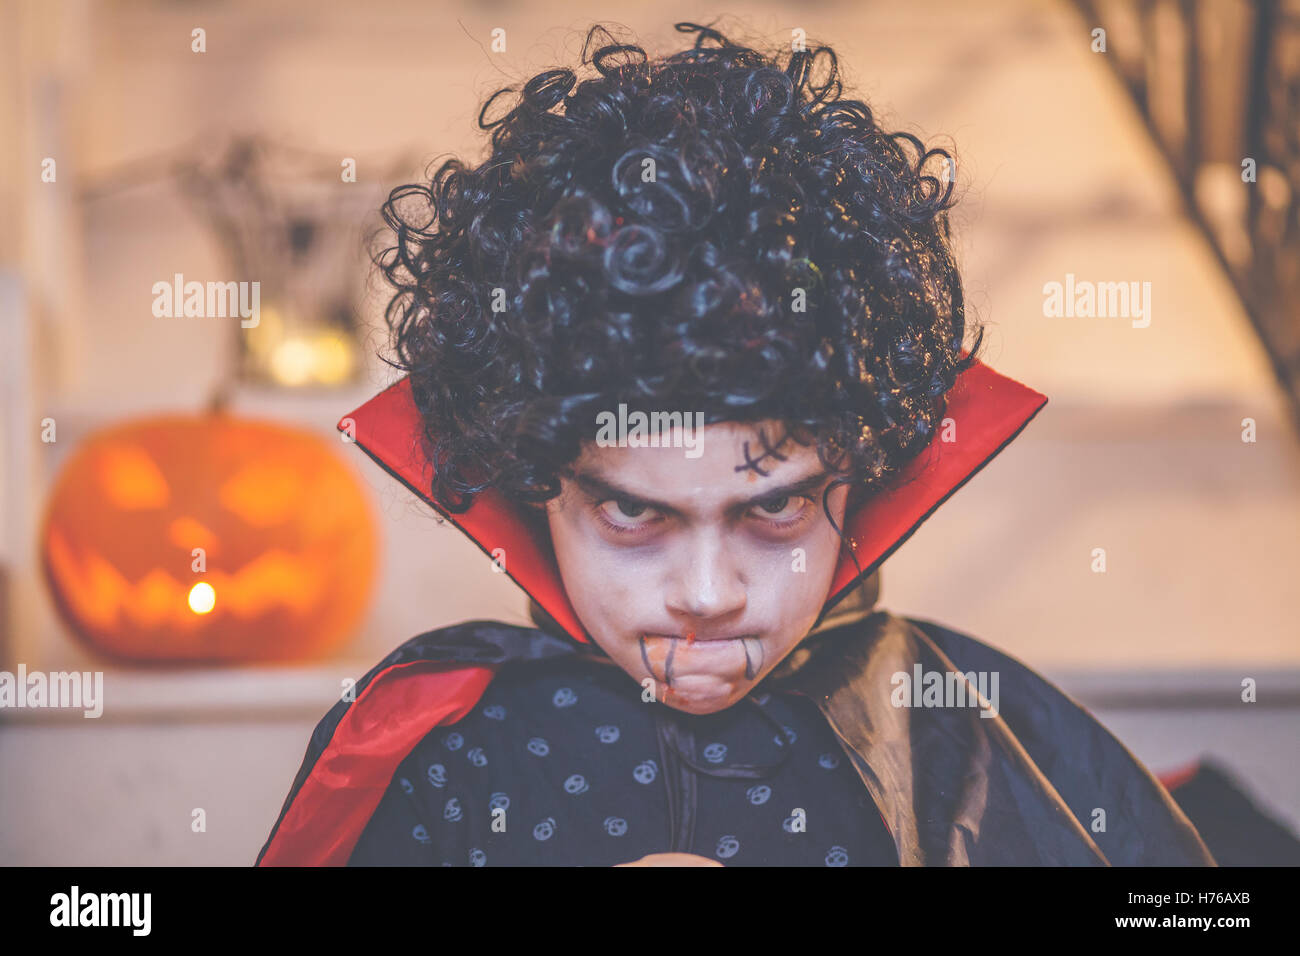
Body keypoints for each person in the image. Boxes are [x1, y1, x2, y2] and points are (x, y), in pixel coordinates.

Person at [257, 22, 1214, 866]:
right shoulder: (444, 752)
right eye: (632, 510)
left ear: (860, 468)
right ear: (531, 477)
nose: (709, 595)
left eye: (776, 505)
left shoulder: (946, 725)